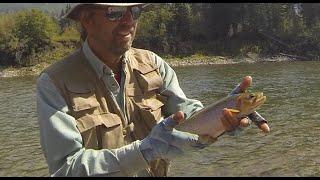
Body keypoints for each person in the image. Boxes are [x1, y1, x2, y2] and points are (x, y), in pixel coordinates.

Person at [36, 3, 260, 177]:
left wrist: (227, 112)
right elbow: (65, 169)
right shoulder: (54, 83)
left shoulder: (153, 63)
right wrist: (144, 151)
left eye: (134, 11)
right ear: (86, 18)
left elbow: (188, 118)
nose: (128, 21)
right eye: (114, 12)